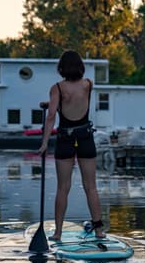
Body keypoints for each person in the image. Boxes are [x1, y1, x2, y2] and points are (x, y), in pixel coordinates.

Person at [37, 50, 105, 240]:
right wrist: (53, 103)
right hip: (85, 137)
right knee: (91, 186)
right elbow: (74, 101)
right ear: (80, 67)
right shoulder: (88, 85)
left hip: (66, 140)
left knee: (62, 188)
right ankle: (99, 231)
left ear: (62, 68)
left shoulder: (57, 88)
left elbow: (51, 116)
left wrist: (44, 144)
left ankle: (58, 233)